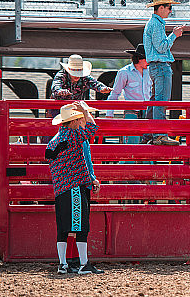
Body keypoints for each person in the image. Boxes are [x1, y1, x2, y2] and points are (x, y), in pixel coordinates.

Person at [46, 102, 103, 275]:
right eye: (80, 119)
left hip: (60, 189)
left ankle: (63, 264)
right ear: (74, 121)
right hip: (74, 187)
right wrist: (85, 110)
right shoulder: (73, 136)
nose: (82, 122)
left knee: (63, 228)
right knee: (81, 226)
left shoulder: (54, 141)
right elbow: (93, 128)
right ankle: (84, 264)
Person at [143, 0, 185, 146]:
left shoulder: (154, 23)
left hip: (156, 66)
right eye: (169, 7)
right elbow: (161, 47)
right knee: (161, 101)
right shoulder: (156, 24)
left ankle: (149, 133)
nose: (170, 10)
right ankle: (159, 135)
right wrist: (174, 35)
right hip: (160, 66)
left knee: (155, 100)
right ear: (161, 8)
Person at [106, 44, 151, 144]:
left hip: (147, 111)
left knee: (147, 144)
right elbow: (115, 93)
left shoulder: (150, 72)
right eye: (146, 59)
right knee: (131, 142)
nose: (149, 62)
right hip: (132, 111)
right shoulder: (124, 72)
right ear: (139, 59)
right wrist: (109, 114)